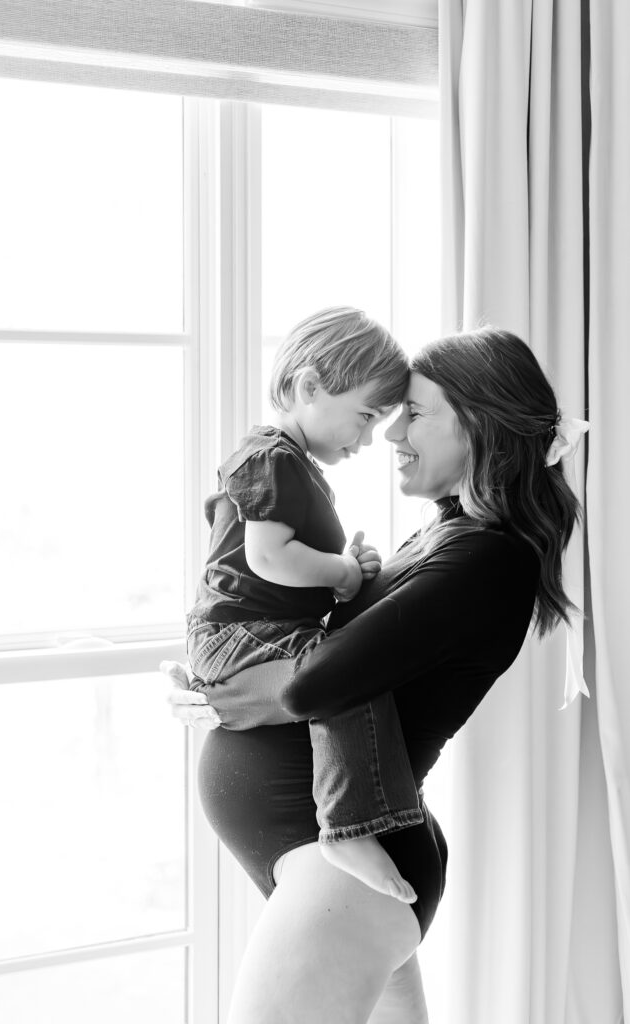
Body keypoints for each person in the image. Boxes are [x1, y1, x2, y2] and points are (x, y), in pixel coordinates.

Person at [164, 327, 587, 1024]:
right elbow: (314, 648)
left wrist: (223, 697)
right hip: (341, 870)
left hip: (345, 873)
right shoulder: (441, 534)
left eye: (414, 413)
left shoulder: (486, 560)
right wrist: (209, 675)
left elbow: (313, 685)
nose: (390, 434)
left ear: (480, 427)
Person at [185, 306, 422, 903]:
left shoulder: (288, 464)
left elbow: (279, 558)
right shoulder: (273, 457)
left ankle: (360, 819)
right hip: (240, 639)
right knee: (340, 674)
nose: (369, 439)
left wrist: (347, 569)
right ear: (309, 386)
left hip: (248, 641)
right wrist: (340, 571)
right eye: (365, 417)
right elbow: (268, 558)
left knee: (344, 670)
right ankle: (346, 826)